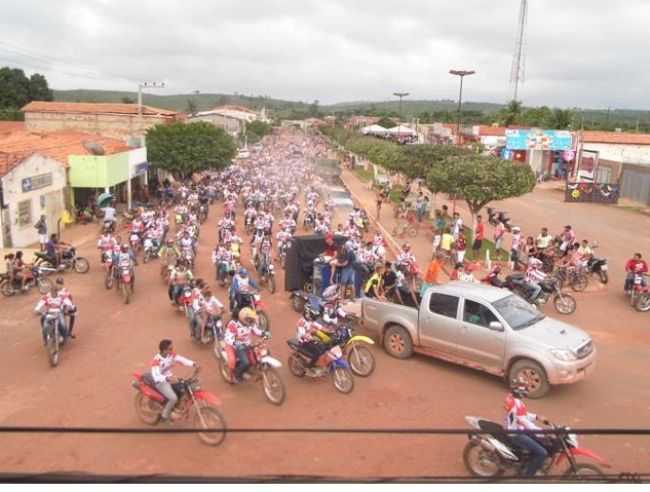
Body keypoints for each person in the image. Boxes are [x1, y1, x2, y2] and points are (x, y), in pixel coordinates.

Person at [504, 381, 548, 477]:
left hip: (514, 428)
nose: (526, 392)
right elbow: (525, 421)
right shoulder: (517, 403)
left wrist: (537, 417)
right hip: (515, 433)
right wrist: (541, 432)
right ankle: (528, 476)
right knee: (542, 453)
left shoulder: (512, 400)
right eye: (525, 389)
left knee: (538, 442)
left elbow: (523, 415)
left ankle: (530, 462)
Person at [150, 339, 198, 423]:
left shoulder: (170, 355)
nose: (172, 350)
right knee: (173, 398)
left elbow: (181, 359)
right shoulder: (156, 360)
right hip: (160, 382)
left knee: (183, 388)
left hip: (170, 378)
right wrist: (166, 378)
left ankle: (176, 408)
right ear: (164, 350)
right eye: (170, 349)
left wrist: (193, 364)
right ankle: (164, 416)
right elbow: (156, 376)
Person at [224, 307, 266, 382]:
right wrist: (235, 342)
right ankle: (237, 375)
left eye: (250, 318)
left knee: (260, 355)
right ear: (243, 318)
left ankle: (251, 370)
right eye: (248, 319)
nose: (250, 320)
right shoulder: (233, 325)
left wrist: (264, 333)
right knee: (246, 362)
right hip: (237, 346)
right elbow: (228, 337)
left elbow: (256, 331)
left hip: (247, 345)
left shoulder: (250, 324)